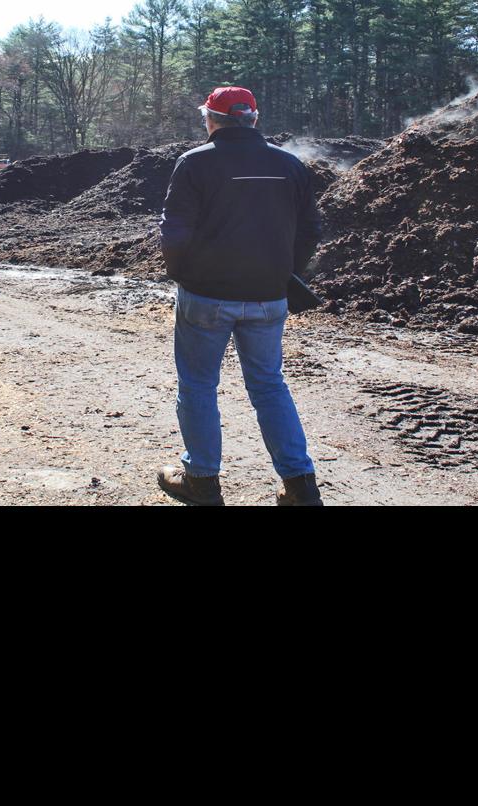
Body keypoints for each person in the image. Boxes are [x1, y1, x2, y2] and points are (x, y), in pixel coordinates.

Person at [157, 86, 325, 507]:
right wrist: (284, 274)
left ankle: (202, 482)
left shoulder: (194, 163)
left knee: (198, 385)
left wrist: (182, 275)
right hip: (269, 295)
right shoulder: (289, 165)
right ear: (253, 119)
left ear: (211, 119)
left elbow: (174, 232)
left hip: (206, 295)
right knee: (269, 386)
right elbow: (310, 233)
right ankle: (301, 486)